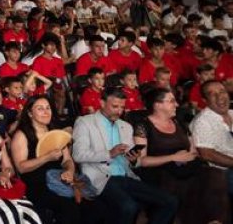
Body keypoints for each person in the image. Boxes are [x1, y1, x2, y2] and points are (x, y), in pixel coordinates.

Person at [72, 87, 177, 224]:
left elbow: (134, 161)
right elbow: (78, 155)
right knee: (129, 207)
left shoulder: (125, 126)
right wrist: (109, 153)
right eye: (115, 106)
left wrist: (133, 160)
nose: (119, 111)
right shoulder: (85, 122)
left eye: (122, 107)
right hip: (100, 177)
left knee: (170, 201)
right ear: (102, 103)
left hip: (125, 176)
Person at [133, 87, 217, 224]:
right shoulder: (142, 126)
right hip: (160, 171)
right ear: (157, 105)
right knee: (185, 186)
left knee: (214, 174)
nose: (177, 104)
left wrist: (187, 156)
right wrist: (173, 157)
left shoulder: (180, 123)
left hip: (186, 167)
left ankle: (215, 219)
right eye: (172, 101)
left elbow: (193, 150)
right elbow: (141, 160)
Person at [9, 95, 81, 224]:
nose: (46, 112)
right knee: (68, 208)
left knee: (91, 205)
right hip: (36, 185)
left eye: (48, 108)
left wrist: (69, 171)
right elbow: (21, 167)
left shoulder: (55, 132)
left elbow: (67, 160)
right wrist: (47, 157)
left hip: (59, 179)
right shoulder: (21, 135)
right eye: (40, 108)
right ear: (30, 113)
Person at [190, 80, 233, 207]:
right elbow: (207, 154)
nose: (220, 96)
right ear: (204, 100)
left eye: (222, 91)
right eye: (212, 94)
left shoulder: (232, 113)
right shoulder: (203, 122)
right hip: (222, 172)